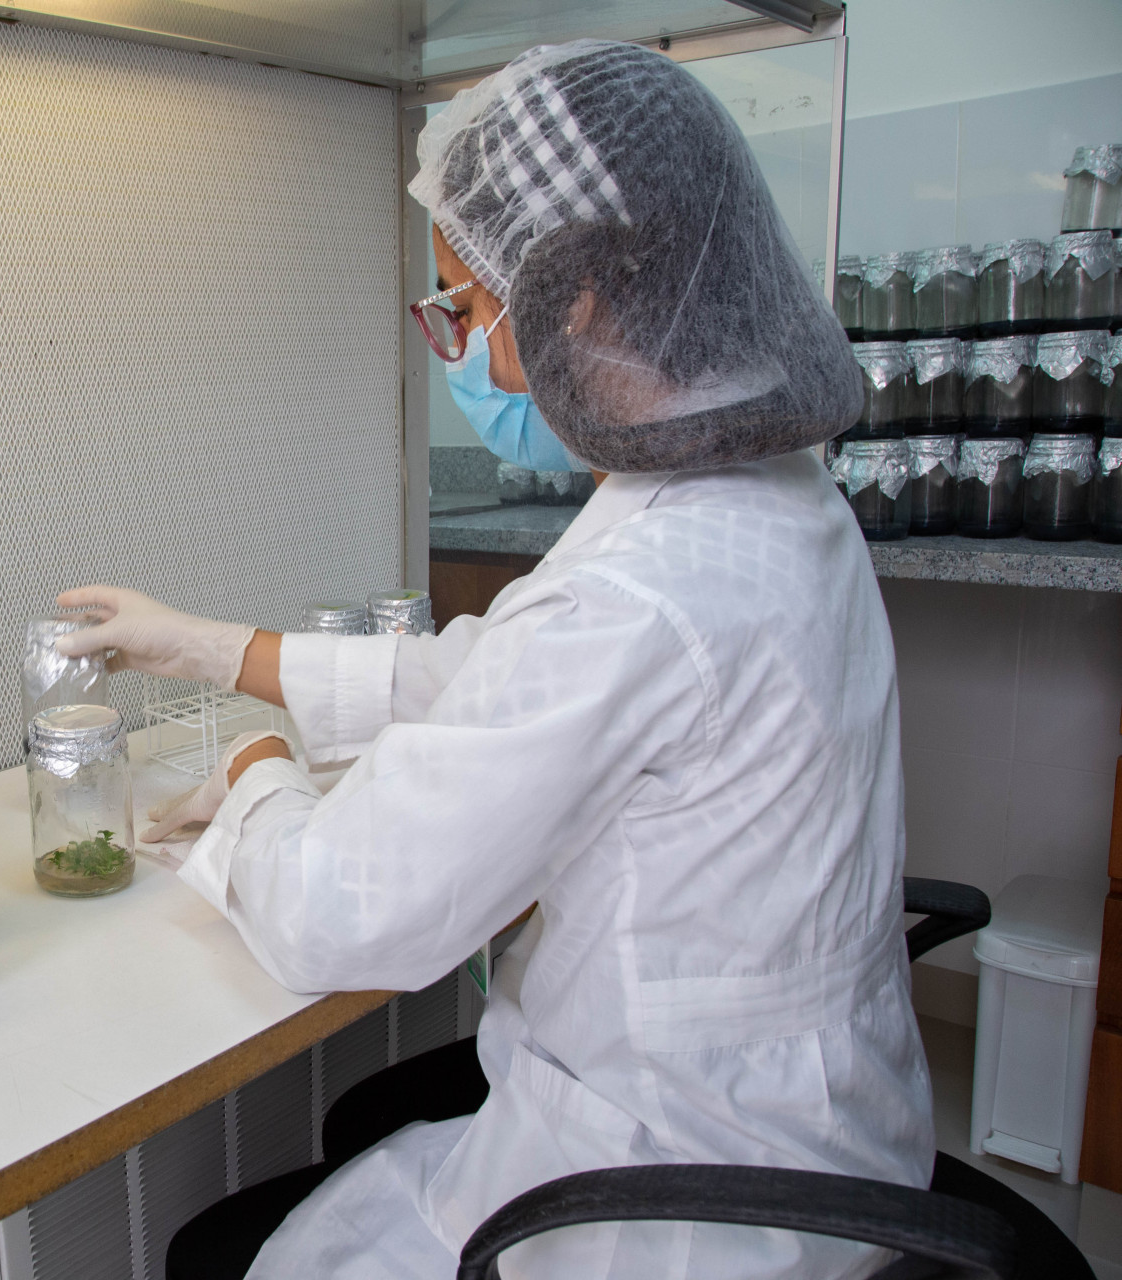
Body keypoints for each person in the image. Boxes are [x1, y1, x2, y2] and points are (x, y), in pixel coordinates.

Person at [55, 38, 933, 1280]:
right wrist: (212, 648)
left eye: (463, 309)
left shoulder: (648, 580)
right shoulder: (769, 493)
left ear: (579, 297)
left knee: (231, 1253)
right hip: (812, 1120)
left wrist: (255, 773)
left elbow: (340, 915)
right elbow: (505, 675)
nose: (461, 351)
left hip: (681, 1195)